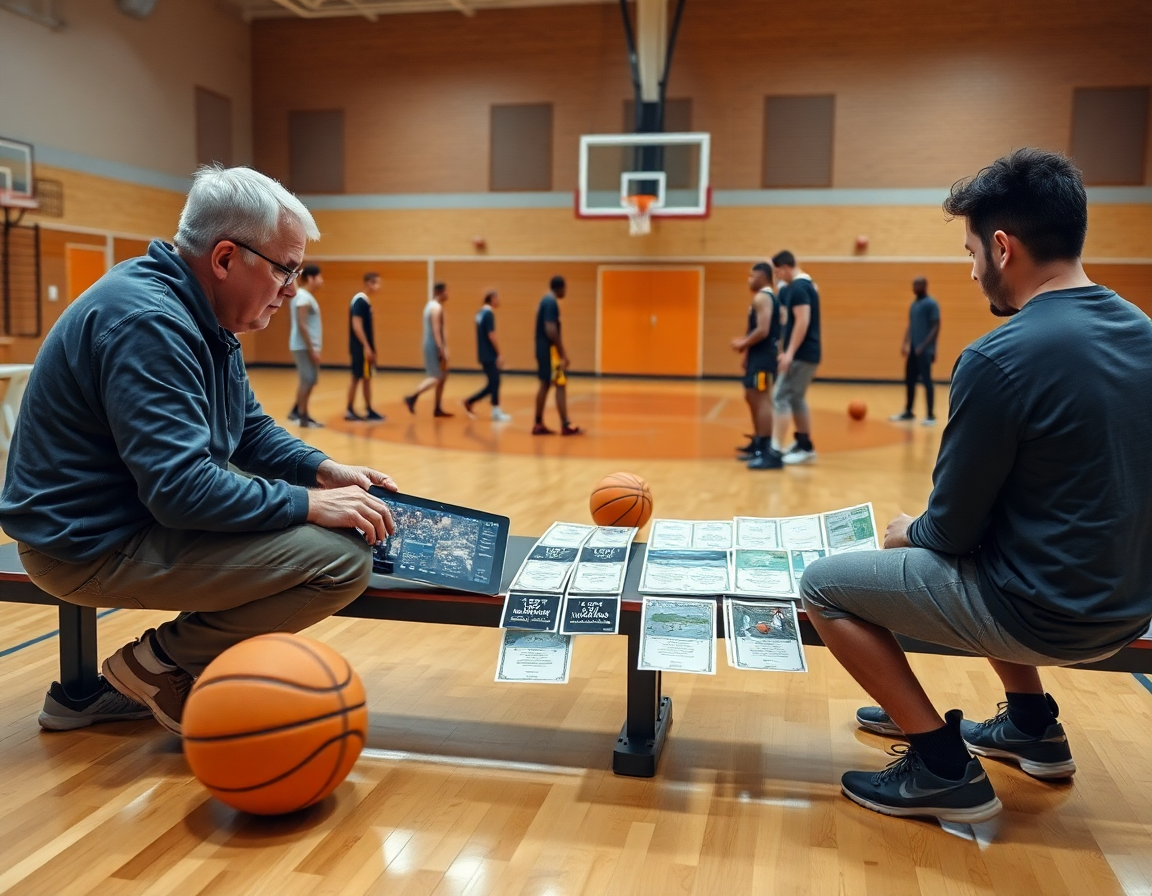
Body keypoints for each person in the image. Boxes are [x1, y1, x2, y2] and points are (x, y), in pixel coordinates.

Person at [799, 148, 1152, 824]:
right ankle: (1029, 727)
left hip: (1048, 616)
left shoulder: (998, 357)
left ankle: (938, 765)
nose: (970, 270)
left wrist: (910, 532)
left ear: (1002, 246)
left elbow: (951, 530)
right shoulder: (1142, 331)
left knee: (825, 584)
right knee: (995, 539)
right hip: (1131, 602)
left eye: (970, 252)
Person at [0, 164, 399, 735]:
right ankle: (157, 664)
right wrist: (309, 504)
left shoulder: (199, 313)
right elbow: (182, 492)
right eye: (287, 269)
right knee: (339, 559)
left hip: (120, 521)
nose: (291, 289)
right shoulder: (149, 323)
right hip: (83, 545)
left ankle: (118, 686)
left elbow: (249, 428)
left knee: (325, 526)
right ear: (225, 258)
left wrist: (324, 470)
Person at [771, 251, 821, 465]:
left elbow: (803, 320)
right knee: (796, 398)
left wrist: (789, 353)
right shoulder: (803, 286)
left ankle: (774, 450)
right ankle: (804, 444)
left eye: (778, 272)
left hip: (802, 353)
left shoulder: (800, 288)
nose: (778, 277)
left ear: (784, 267)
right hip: (806, 352)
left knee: (780, 396)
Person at [731, 262, 782, 470]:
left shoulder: (763, 297)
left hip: (764, 357)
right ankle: (759, 441)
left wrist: (744, 343)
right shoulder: (763, 298)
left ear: (762, 276)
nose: (749, 280)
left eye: (752, 276)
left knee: (762, 399)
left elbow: (763, 329)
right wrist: (747, 353)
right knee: (751, 395)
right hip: (757, 356)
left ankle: (766, 447)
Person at [533, 275, 582, 436]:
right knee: (555, 384)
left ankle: (544, 423)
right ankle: (560, 424)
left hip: (545, 350)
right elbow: (551, 329)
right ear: (560, 288)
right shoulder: (551, 302)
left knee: (551, 384)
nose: (566, 291)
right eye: (565, 288)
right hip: (550, 352)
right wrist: (563, 354)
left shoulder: (545, 301)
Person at [890, 277, 941, 425]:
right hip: (913, 350)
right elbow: (910, 325)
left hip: (924, 351)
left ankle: (930, 416)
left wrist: (924, 346)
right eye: (913, 285)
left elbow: (935, 327)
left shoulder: (931, 304)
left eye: (916, 285)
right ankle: (908, 411)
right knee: (910, 380)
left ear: (924, 286)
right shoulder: (914, 304)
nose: (913, 288)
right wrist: (905, 343)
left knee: (927, 381)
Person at [404, 282, 452, 417]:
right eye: (446, 291)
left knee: (443, 376)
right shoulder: (436, 308)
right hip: (433, 345)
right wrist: (441, 349)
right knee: (436, 377)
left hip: (432, 344)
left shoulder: (430, 306)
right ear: (439, 292)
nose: (448, 294)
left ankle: (437, 407)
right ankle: (412, 397)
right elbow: (436, 330)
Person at [463, 290, 512, 422]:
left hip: (482, 353)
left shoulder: (479, 313)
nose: (498, 300)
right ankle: (494, 411)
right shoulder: (489, 314)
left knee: (493, 383)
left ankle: (471, 402)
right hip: (489, 354)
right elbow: (491, 335)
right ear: (491, 299)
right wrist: (499, 354)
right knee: (495, 382)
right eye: (496, 298)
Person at [288, 264, 324, 427]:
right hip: (303, 347)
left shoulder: (305, 296)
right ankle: (302, 416)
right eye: (319, 277)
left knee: (310, 380)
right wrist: (311, 349)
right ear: (311, 278)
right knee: (307, 379)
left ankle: (302, 414)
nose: (322, 281)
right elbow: (302, 325)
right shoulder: (303, 297)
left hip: (306, 346)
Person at [346, 271, 385, 422]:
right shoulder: (360, 301)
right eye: (376, 283)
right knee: (357, 377)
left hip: (363, 347)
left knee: (367, 377)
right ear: (368, 283)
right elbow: (357, 326)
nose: (378, 287)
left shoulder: (365, 302)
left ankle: (369, 409)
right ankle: (349, 410)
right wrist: (367, 347)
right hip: (360, 348)